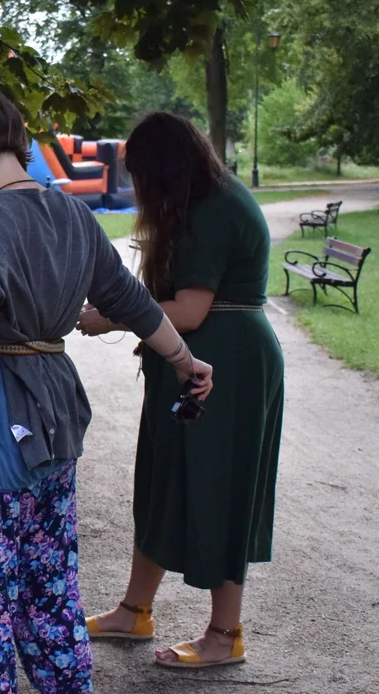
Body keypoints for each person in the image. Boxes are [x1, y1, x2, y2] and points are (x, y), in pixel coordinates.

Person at [0, 88, 214, 692]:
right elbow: (131, 301)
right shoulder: (70, 212)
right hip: (51, 435)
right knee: (48, 605)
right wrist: (185, 360)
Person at [77, 111, 285, 669]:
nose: (138, 188)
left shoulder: (212, 211)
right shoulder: (201, 200)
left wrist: (112, 317)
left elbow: (190, 311)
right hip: (190, 366)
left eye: (141, 175)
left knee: (221, 489)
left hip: (228, 369)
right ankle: (134, 611)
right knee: (162, 481)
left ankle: (224, 634)